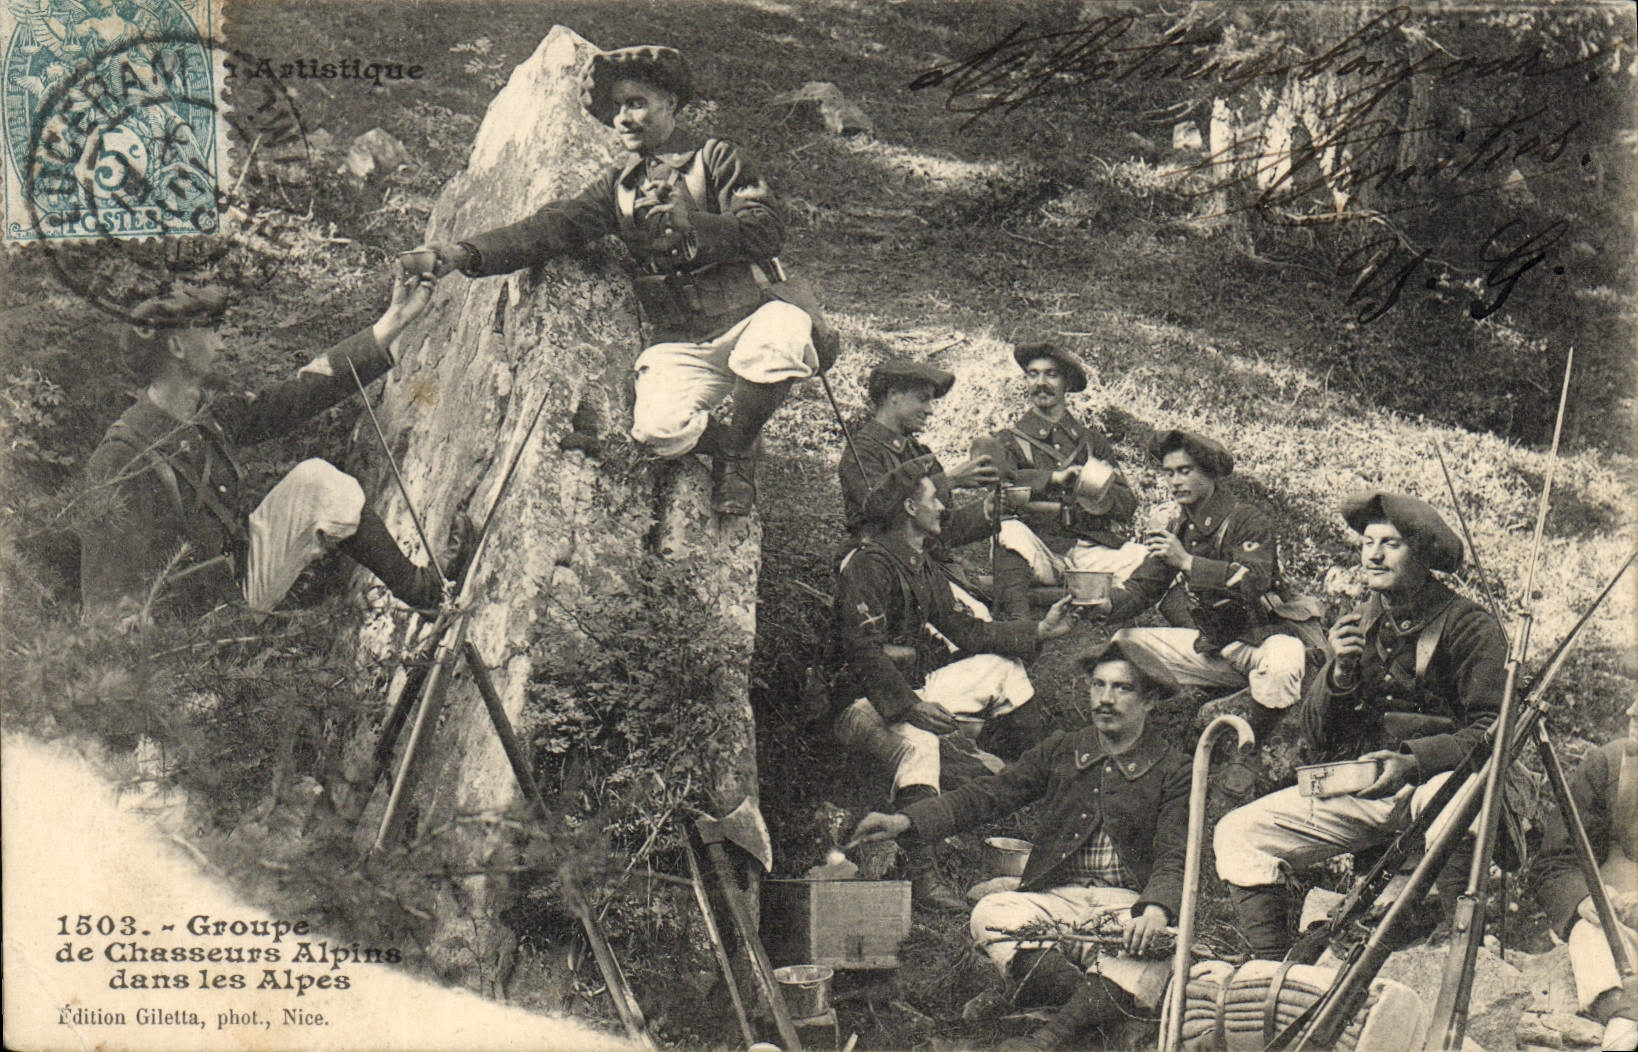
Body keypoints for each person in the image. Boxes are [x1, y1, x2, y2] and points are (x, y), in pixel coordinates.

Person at [412, 45, 823, 516]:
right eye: (617, 108)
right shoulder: (618, 188)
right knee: (658, 433)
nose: (624, 117)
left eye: (637, 102)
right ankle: (735, 442)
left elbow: (768, 229)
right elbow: (550, 228)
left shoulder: (716, 159)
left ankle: (736, 456)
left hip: (749, 318)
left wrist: (697, 224)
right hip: (685, 340)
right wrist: (464, 253)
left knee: (783, 332)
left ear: (670, 102)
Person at [849, 639, 1189, 1050]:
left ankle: (1047, 1039)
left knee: (1158, 947)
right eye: (1098, 686)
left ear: (1150, 699)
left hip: (1127, 906)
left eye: (1122, 688)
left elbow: (1175, 852)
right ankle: (1100, 1015)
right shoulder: (1065, 748)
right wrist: (907, 819)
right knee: (991, 912)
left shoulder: (1176, 769)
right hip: (1056, 902)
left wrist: (1153, 910)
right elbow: (991, 794)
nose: (1105, 699)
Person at [1213, 491, 1508, 959]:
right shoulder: (1360, 623)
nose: (1372, 554)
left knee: (1445, 797)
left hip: (1442, 790)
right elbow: (1317, 736)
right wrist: (1339, 671)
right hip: (1372, 791)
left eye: (1390, 543)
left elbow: (1495, 731)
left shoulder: (1471, 626)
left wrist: (1414, 763)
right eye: (1368, 542)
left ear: (1423, 554)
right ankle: (1268, 970)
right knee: (1238, 832)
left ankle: (1463, 947)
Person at [79, 270, 466, 624]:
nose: (222, 343)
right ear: (178, 346)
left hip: (236, 587)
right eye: (211, 330)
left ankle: (422, 592)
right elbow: (105, 597)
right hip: (190, 641)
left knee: (318, 483)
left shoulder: (206, 410)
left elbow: (297, 395)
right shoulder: (121, 455)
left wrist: (393, 321)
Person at [833, 456, 1074, 910]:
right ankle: (924, 876)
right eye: (935, 499)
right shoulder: (869, 565)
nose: (944, 507)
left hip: (909, 691)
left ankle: (1041, 786)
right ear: (908, 508)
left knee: (1006, 669)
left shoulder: (919, 564)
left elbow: (968, 631)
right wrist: (908, 707)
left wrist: (1039, 631)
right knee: (919, 742)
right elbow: (860, 652)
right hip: (857, 703)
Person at [1087, 429, 1309, 737]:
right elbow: (1142, 588)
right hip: (1215, 648)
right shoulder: (1180, 529)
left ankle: (1250, 752)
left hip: (1261, 642)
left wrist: (1187, 562)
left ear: (1210, 473)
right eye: (1169, 473)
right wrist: (1107, 602)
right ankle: (1134, 739)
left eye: (1185, 471)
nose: (1175, 481)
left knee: (1283, 664)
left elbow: (1253, 580)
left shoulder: (1248, 520)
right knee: (1124, 646)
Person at [974, 342, 1145, 621]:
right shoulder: (1008, 440)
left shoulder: (1091, 442)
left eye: (1051, 374)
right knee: (1009, 531)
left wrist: (1098, 495)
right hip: (1037, 549)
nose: (1041, 383)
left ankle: (1191, 634)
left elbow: (1128, 505)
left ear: (1066, 382)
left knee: (1146, 558)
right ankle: (1021, 625)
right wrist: (1051, 479)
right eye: (1033, 374)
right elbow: (1001, 489)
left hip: (1088, 551)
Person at [839, 358, 999, 616]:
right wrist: (949, 480)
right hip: (885, 570)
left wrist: (988, 510)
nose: (930, 410)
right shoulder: (862, 452)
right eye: (922, 399)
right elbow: (880, 510)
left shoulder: (918, 452)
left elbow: (943, 530)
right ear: (893, 396)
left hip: (925, 566)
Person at [1535, 729, 1638, 1051]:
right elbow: (1556, 863)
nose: (1632, 713)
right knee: (1589, 934)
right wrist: (1584, 900)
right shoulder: (1608, 765)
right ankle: (1624, 1020)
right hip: (1618, 930)